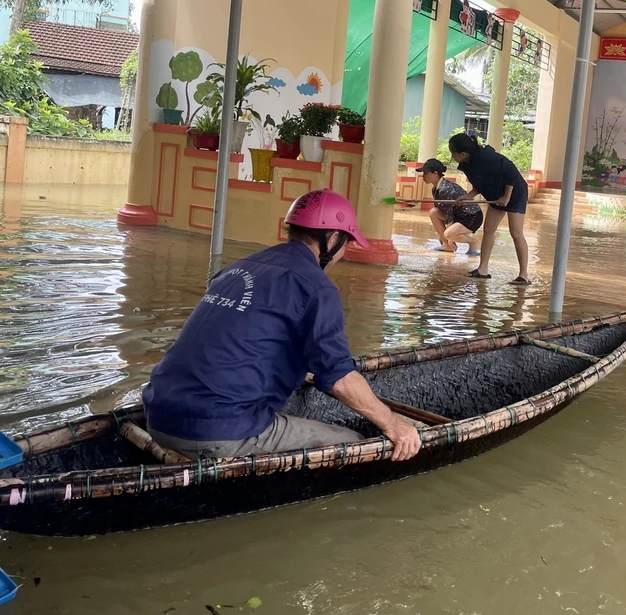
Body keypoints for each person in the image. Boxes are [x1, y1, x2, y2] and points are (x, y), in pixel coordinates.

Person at [142, 189, 422, 461]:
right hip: (217, 430)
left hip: (156, 414)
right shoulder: (316, 286)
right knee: (356, 445)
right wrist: (394, 425)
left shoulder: (239, 266)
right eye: (346, 244)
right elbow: (339, 378)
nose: (343, 253)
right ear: (334, 238)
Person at [449, 132, 531, 285]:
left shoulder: (488, 157)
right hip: (496, 195)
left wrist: (506, 197)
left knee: (516, 232)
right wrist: (468, 196)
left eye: (453, 153)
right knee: (489, 229)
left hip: (515, 192)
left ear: (463, 153)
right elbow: (480, 183)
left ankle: (524, 275)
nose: (452, 157)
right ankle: (483, 269)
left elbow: (511, 174)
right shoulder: (467, 164)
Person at [417, 158, 483, 256]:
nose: (423, 176)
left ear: (435, 173)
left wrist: (450, 237)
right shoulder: (436, 188)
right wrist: (444, 237)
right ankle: (446, 245)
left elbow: (449, 215)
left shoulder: (445, 189)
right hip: (458, 215)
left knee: (449, 234)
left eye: (426, 173)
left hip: (471, 216)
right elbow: (440, 209)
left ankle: (473, 242)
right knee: (434, 212)